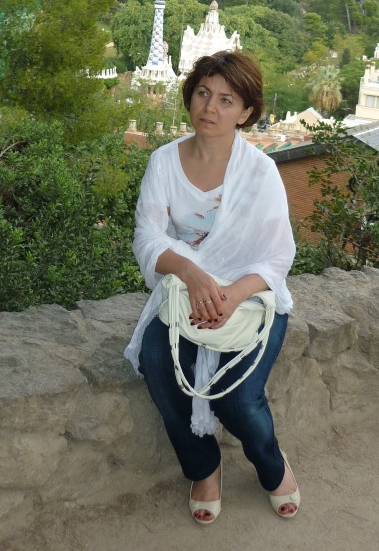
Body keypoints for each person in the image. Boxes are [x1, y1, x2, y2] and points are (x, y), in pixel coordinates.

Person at [124, 50, 300, 523]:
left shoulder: (260, 172)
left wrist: (232, 296)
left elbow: (277, 256)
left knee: (237, 398)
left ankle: (272, 464)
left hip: (251, 297)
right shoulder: (164, 162)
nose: (210, 107)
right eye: (203, 93)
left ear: (246, 112)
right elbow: (147, 236)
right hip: (185, 292)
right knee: (158, 365)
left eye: (226, 100)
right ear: (190, 97)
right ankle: (203, 467)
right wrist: (192, 273)